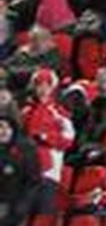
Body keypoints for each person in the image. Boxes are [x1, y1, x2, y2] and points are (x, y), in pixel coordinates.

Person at [21, 68, 74, 214]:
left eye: (47, 85)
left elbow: (68, 140)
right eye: (39, 85)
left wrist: (46, 137)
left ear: (53, 87)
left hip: (48, 173)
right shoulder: (26, 112)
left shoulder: (60, 112)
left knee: (42, 218)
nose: (43, 89)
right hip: (26, 170)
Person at [0, 116, 42, 226]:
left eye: (7, 127)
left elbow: (33, 181)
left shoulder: (25, 150)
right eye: (0, 127)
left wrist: (22, 207)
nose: (3, 131)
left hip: (11, 207)